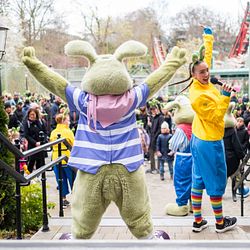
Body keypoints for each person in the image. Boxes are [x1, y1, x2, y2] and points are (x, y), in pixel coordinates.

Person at [170, 27, 237, 233]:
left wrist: (208, 38)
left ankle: (198, 221)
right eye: (202, 72)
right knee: (216, 181)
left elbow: (206, 59)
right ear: (193, 74)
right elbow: (217, 117)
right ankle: (219, 223)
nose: (207, 73)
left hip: (199, 139)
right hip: (209, 141)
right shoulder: (197, 96)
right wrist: (225, 97)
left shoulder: (202, 81)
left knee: (198, 179)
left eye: (207, 70)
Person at [50, 112, 75, 208]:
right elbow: (73, 144)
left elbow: (52, 144)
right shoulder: (68, 132)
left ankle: (63, 199)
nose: (69, 122)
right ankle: (76, 199)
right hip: (67, 157)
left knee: (60, 179)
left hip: (56, 158)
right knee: (73, 179)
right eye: (68, 120)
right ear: (63, 121)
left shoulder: (53, 132)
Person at [22, 108, 48, 173]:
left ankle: (40, 178)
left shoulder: (40, 121)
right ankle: (29, 178)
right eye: (30, 114)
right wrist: (35, 143)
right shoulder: (26, 123)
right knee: (31, 162)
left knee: (41, 162)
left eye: (33, 114)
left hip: (41, 145)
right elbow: (26, 135)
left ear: (36, 114)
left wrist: (43, 141)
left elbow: (45, 132)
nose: (32, 116)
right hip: (32, 145)